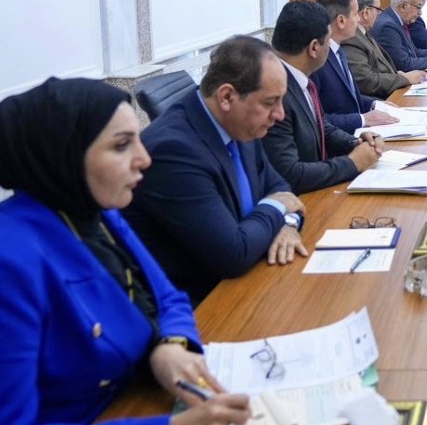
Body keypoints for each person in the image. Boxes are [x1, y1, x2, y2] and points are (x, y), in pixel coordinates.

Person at [0, 78, 251, 425]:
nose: (145, 158)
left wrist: (169, 347)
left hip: (140, 400)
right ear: (65, 154)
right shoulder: (1, 259)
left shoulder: (95, 210)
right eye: (122, 145)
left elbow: (168, 297)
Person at [125, 36, 308, 305]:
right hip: (203, 306)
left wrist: (288, 224)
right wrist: (276, 209)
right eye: (270, 102)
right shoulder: (173, 151)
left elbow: (280, 187)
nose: (280, 114)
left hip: (250, 281)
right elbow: (233, 254)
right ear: (226, 97)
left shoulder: (240, 123)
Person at [263, 0, 383, 194]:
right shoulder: (275, 93)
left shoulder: (300, 78)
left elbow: (320, 125)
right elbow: (290, 174)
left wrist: (355, 142)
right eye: (328, 41)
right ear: (314, 48)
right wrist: (352, 163)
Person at [313, 0, 399, 134]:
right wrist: (363, 119)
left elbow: (352, 98)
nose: (359, 18)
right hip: (343, 140)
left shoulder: (339, 51)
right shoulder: (318, 60)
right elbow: (318, 121)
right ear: (341, 21)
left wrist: (375, 104)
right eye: (355, 14)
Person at [344, 0, 427, 98]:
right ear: (366, 12)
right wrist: (405, 78)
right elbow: (367, 81)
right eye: (378, 9)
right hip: (381, 99)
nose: (380, 14)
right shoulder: (352, 38)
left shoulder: (364, 32)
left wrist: (397, 75)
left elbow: (380, 68)